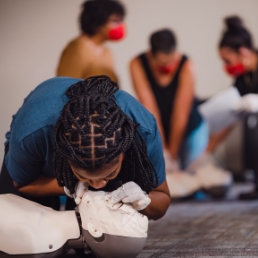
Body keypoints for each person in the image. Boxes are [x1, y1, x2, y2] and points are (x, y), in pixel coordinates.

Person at [0, 75, 170, 220]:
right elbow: (22, 184)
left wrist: (144, 201)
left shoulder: (143, 130)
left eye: (110, 173)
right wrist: (68, 186)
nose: (97, 185)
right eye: (84, 175)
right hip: (40, 145)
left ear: (123, 155)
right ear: (65, 157)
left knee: (101, 239)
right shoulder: (32, 134)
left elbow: (162, 197)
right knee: (17, 230)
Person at [130, 28, 209, 170]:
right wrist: (164, 153)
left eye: (171, 62)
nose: (168, 67)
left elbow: (180, 116)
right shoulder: (137, 64)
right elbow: (150, 109)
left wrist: (172, 156)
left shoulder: (187, 65)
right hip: (159, 129)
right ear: (151, 56)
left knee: (192, 179)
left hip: (190, 130)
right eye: (162, 64)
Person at [217, 16, 258, 199]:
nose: (226, 66)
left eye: (227, 60)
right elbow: (229, 115)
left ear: (243, 52)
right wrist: (207, 149)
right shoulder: (242, 79)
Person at [56, 0, 126, 82]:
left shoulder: (107, 52)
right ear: (98, 21)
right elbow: (65, 86)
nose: (121, 25)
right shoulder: (77, 48)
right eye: (115, 21)